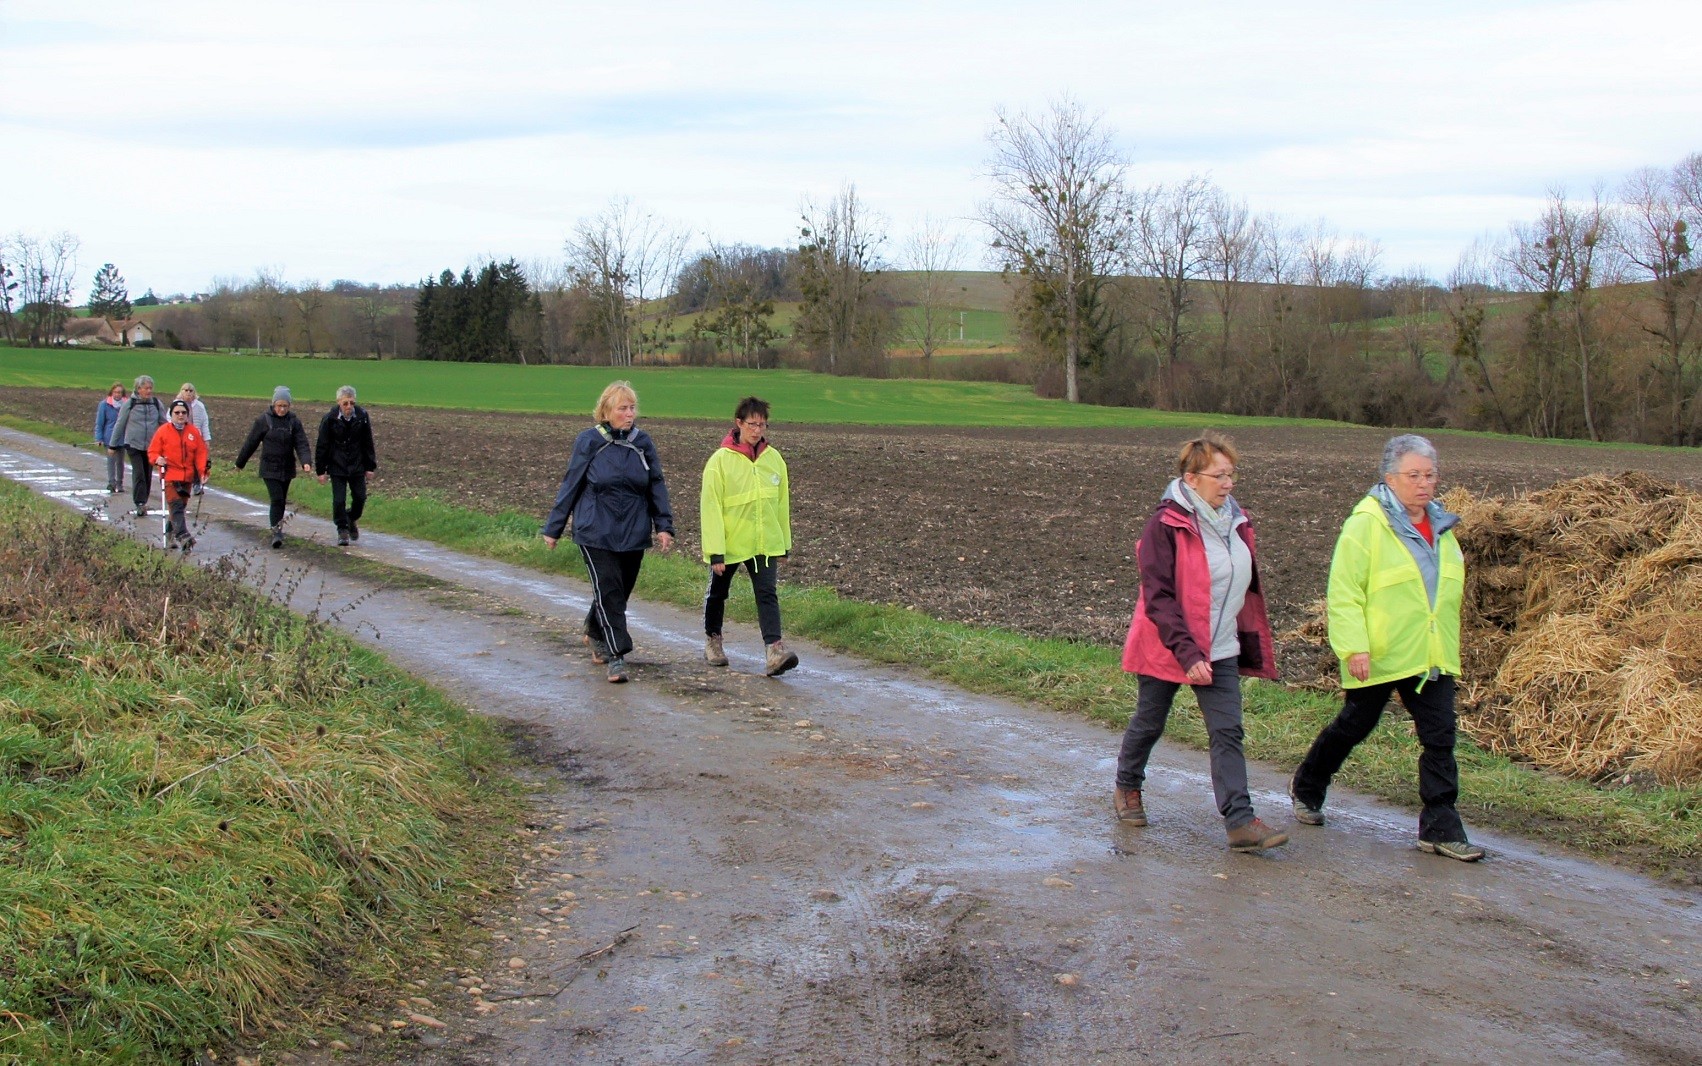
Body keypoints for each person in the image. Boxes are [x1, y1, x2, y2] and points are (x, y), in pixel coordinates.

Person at [1289, 434, 1482, 862]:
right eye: (1414, 475)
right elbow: (1344, 590)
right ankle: (1307, 785)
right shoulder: (1367, 523)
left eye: (1430, 475)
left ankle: (1440, 826)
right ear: (1390, 478)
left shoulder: (1442, 527)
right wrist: (1354, 646)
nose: (1424, 483)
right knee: (1356, 724)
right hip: (1379, 651)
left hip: (1429, 653)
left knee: (1440, 735)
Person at [1115, 432, 1287, 853]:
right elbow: (1159, 597)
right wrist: (1188, 652)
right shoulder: (1165, 525)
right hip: (1166, 643)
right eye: (1219, 475)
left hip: (1220, 644)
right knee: (1150, 720)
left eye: (1232, 474)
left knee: (1227, 730)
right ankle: (1127, 786)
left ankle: (1240, 822)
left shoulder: (1236, 520)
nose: (1228, 483)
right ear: (1192, 479)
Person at [541, 381, 675, 684]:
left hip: (633, 530)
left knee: (618, 591)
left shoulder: (643, 443)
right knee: (610, 591)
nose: (629, 414)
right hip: (594, 531)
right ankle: (617, 655)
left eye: (632, 408)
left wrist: (664, 525)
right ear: (606, 411)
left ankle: (593, 629)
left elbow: (656, 484)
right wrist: (554, 528)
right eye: (622, 409)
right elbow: (571, 484)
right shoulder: (589, 441)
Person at [699, 396, 798, 676]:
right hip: (730, 543)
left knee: (767, 594)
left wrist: (783, 544)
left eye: (762, 424)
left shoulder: (774, 460)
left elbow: (781, 505)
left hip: (763, 544)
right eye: (752, 424)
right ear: (739, 423)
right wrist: (716, 551)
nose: (757, 430)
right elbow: (711, 507)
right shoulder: (720, 461)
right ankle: (713, 640)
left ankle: (774, 652)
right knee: (717, 594)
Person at [234, 386, 313, 549]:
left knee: (282, 500)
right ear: (273, 405)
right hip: (269, 467)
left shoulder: (294, 422)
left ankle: (278, 527)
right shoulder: (264, 420)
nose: (282, 409)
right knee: (276, 498)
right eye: (279, 406)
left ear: (289, 406)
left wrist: (306, 462)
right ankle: (276, 532)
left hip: (287, 467)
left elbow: (301, 443)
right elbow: (251, 443)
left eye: (285, 406)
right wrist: (240, 463)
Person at [315, 385, 378, 547]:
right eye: (345, 403)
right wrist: (321, 470)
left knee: (360, 497)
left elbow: (367, 442)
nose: (349, 407)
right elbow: (322, 445)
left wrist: (370, 466)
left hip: (357, 465)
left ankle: (350, 518)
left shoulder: (362, 416)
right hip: (337, 465)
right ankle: (342, 529)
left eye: (352, 403)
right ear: (338, 403)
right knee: (339, 500)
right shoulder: (329, 418)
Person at [147, 399, 209, 552]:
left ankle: (169, 534)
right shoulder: (163, 431)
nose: (180, 415)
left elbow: (201, 454)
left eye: (183, 413)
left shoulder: (193, 432)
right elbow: (152, 452)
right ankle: (183, 536)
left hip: (187, 477)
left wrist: (203, 472)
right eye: (177, 413)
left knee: (179, 508)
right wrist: (157, 459)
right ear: (171, 414)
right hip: (170, 475)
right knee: (176, 506)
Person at [108, 375, 168, 517]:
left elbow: (164, 423)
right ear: (138, 389)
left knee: (147, 474)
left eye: (150, 388)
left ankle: (143, 500)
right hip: (133, 444)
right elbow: (120, 424)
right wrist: (112, 445)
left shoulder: (156, 403)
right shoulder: (129, 404)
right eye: (146, 388)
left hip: (151, 446)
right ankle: (140, 503)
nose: (149, 391)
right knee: (139, 473)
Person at [177, 383, 212, 495]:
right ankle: (181, 482)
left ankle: (197, 484)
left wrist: (206, 439)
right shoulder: (176, 405)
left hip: (196, 438)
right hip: (181, 438)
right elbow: (169, 420)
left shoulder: (199, 406)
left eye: (191, 390)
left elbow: (204, 423)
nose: (188, 393)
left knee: (197, 461)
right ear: (181, 391)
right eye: (186, 390)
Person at [93, 382, 127, 495]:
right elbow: (100, 422)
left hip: (123, 438)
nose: (118, 394)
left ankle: (120, 483)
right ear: (112, 392)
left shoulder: (127, 405)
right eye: (116, 392)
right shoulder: (104, 405)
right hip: (109, 437)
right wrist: (99, 438)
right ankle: (111, 483)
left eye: (120, 392)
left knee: (120, 462)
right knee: (111, 461)